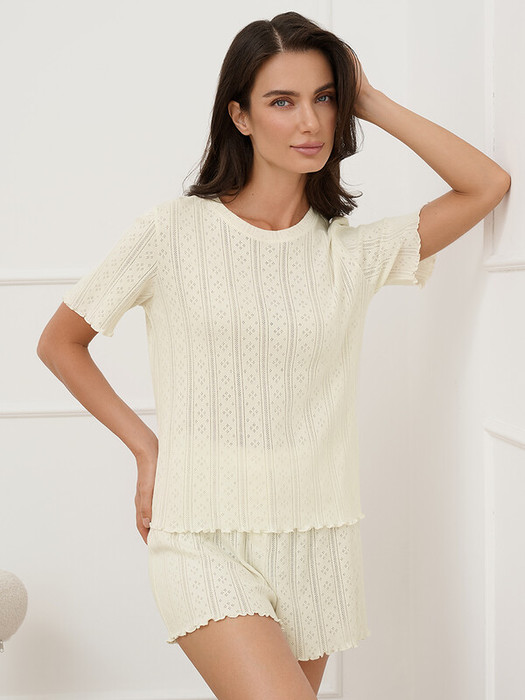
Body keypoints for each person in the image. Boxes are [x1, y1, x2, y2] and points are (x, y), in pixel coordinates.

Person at [36, 11, 510, 700]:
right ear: (240, 115)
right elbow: (60, 343)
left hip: (317, 535)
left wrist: (368, 97)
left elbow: (486, 184)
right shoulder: (172, 232)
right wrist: (145, 447)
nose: (309, 122)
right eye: (282, 101)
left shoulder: (351, 252)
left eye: (324, 97)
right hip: (199, 532)